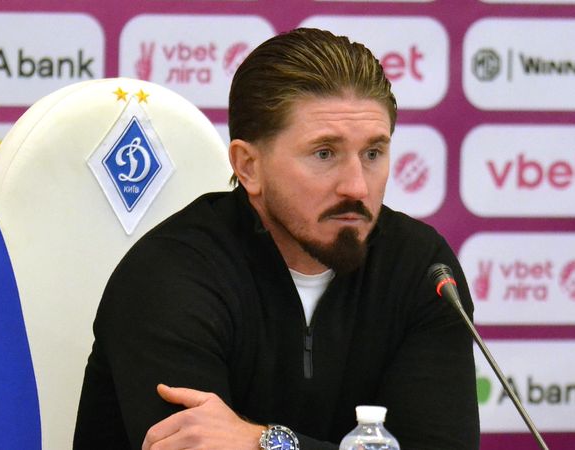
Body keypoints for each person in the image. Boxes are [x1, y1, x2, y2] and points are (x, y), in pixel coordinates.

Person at [74, 28, 480, 450]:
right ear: (248, 166)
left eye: (373, 154)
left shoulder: (422, 269)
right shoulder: (168, 275)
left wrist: (264, 442)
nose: (357, 186)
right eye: (324, 154)